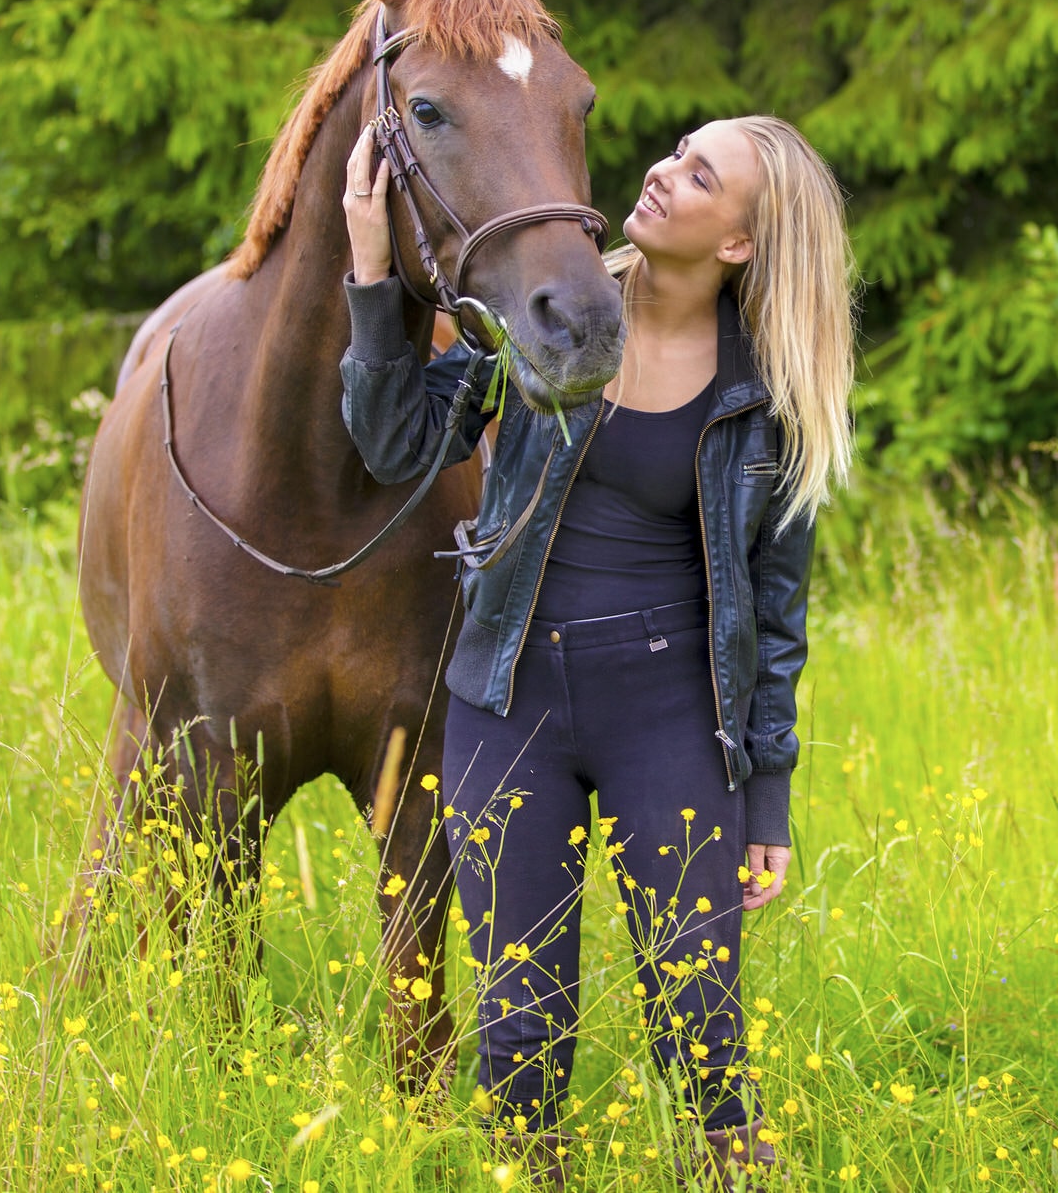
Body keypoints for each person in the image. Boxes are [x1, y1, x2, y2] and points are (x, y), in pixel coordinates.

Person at [338, 114, 857, 1188]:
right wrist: (370, 265)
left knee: (701, 1023)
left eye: (699, 173)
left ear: (739, 244)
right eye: (675, 150)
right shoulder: (549, 313)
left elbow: (776, 613)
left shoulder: (768, 394)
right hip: (507, 696)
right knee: (519, 1027)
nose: (663, 172)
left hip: (667, 708)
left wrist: (765, 799)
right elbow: (393, 443)